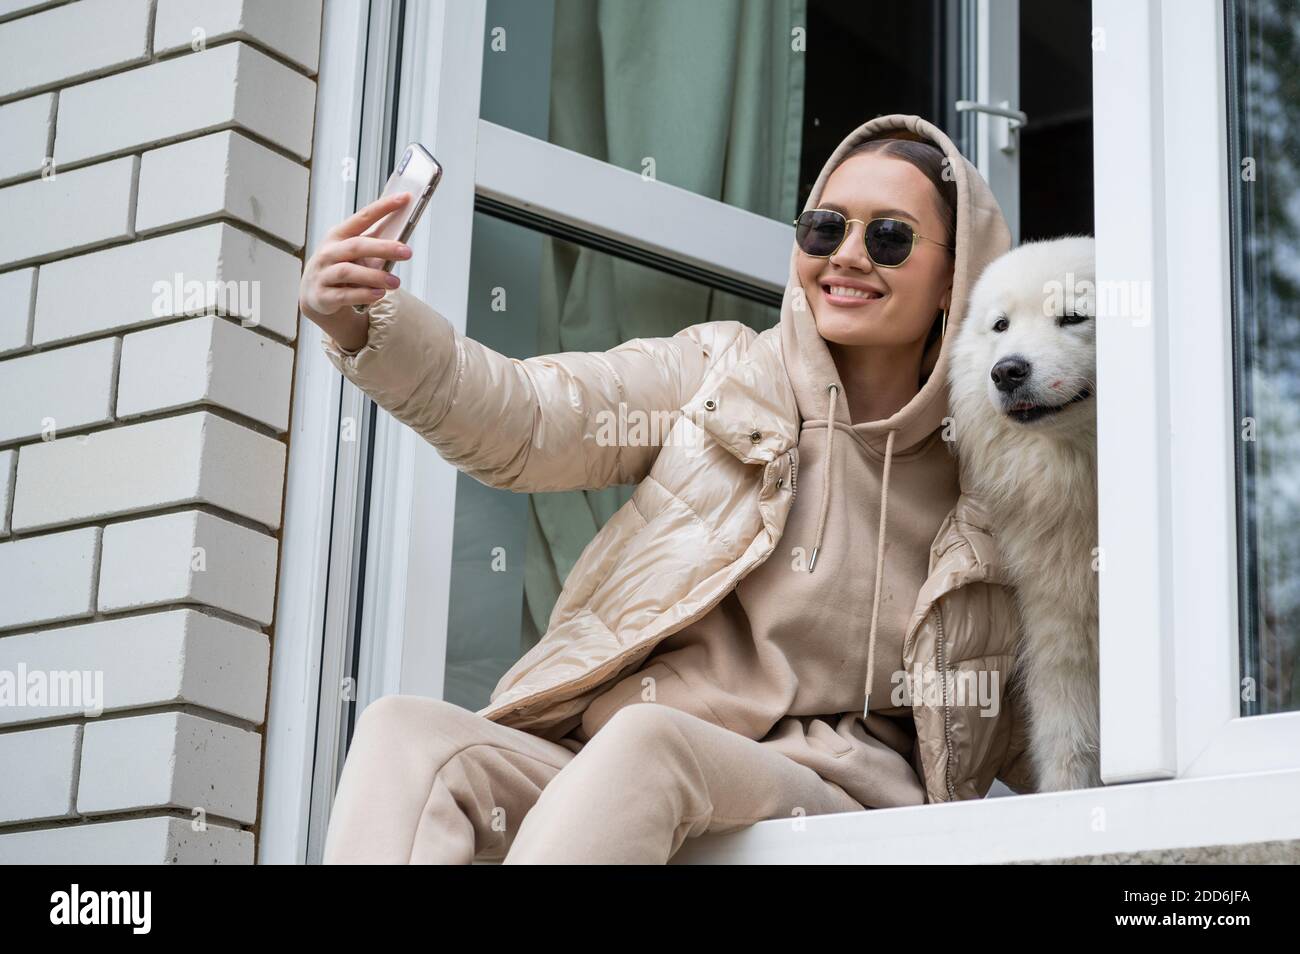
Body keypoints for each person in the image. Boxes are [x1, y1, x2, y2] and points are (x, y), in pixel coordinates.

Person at [300, 113, 1035, 865]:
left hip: (831, 796)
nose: (847, 256)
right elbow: (531, 418)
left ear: (957, 279)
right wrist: (361, 326)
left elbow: (1065, 698)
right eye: (824, 228)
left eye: (890, 237)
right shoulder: (723, 373)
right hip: (618, 765)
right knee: (406, 737)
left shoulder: (998, 477)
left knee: (649, 744)